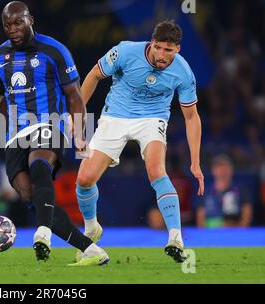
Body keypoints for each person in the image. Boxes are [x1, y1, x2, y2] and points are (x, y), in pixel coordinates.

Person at [0, 1, 108, 266]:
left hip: (50, 124)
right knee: (31, 197)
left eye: (18, 22)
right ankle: (91, 250)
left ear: (31, 20)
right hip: (16, 134)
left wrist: (81, 134)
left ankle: (42, 233)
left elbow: (74, 96)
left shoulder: (54, 50)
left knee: (39, 164)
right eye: (7, 25)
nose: (13, 29)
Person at [74, 20, 204, 263]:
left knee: (157, 171)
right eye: (159, 48)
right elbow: (93, 75)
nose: (163, 55)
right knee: (84, 179)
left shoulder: (183, 72)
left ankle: (175, 237)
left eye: (169, 50)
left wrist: (195, 162)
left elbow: (191, 117)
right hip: (115, 115)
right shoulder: (125, 51)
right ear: (151, 43)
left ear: (178, 49)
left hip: (152, 119)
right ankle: (91, 227)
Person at [196, 155, 252, 228]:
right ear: (213, 170)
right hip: (211, 234)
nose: (222, 172)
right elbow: (200, 219)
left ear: (231, 169)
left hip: (235, 233)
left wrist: (237, 231)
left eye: (225, 168)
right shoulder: (205, 191)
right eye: (219, 168)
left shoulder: (241, 189)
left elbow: (247, 215)